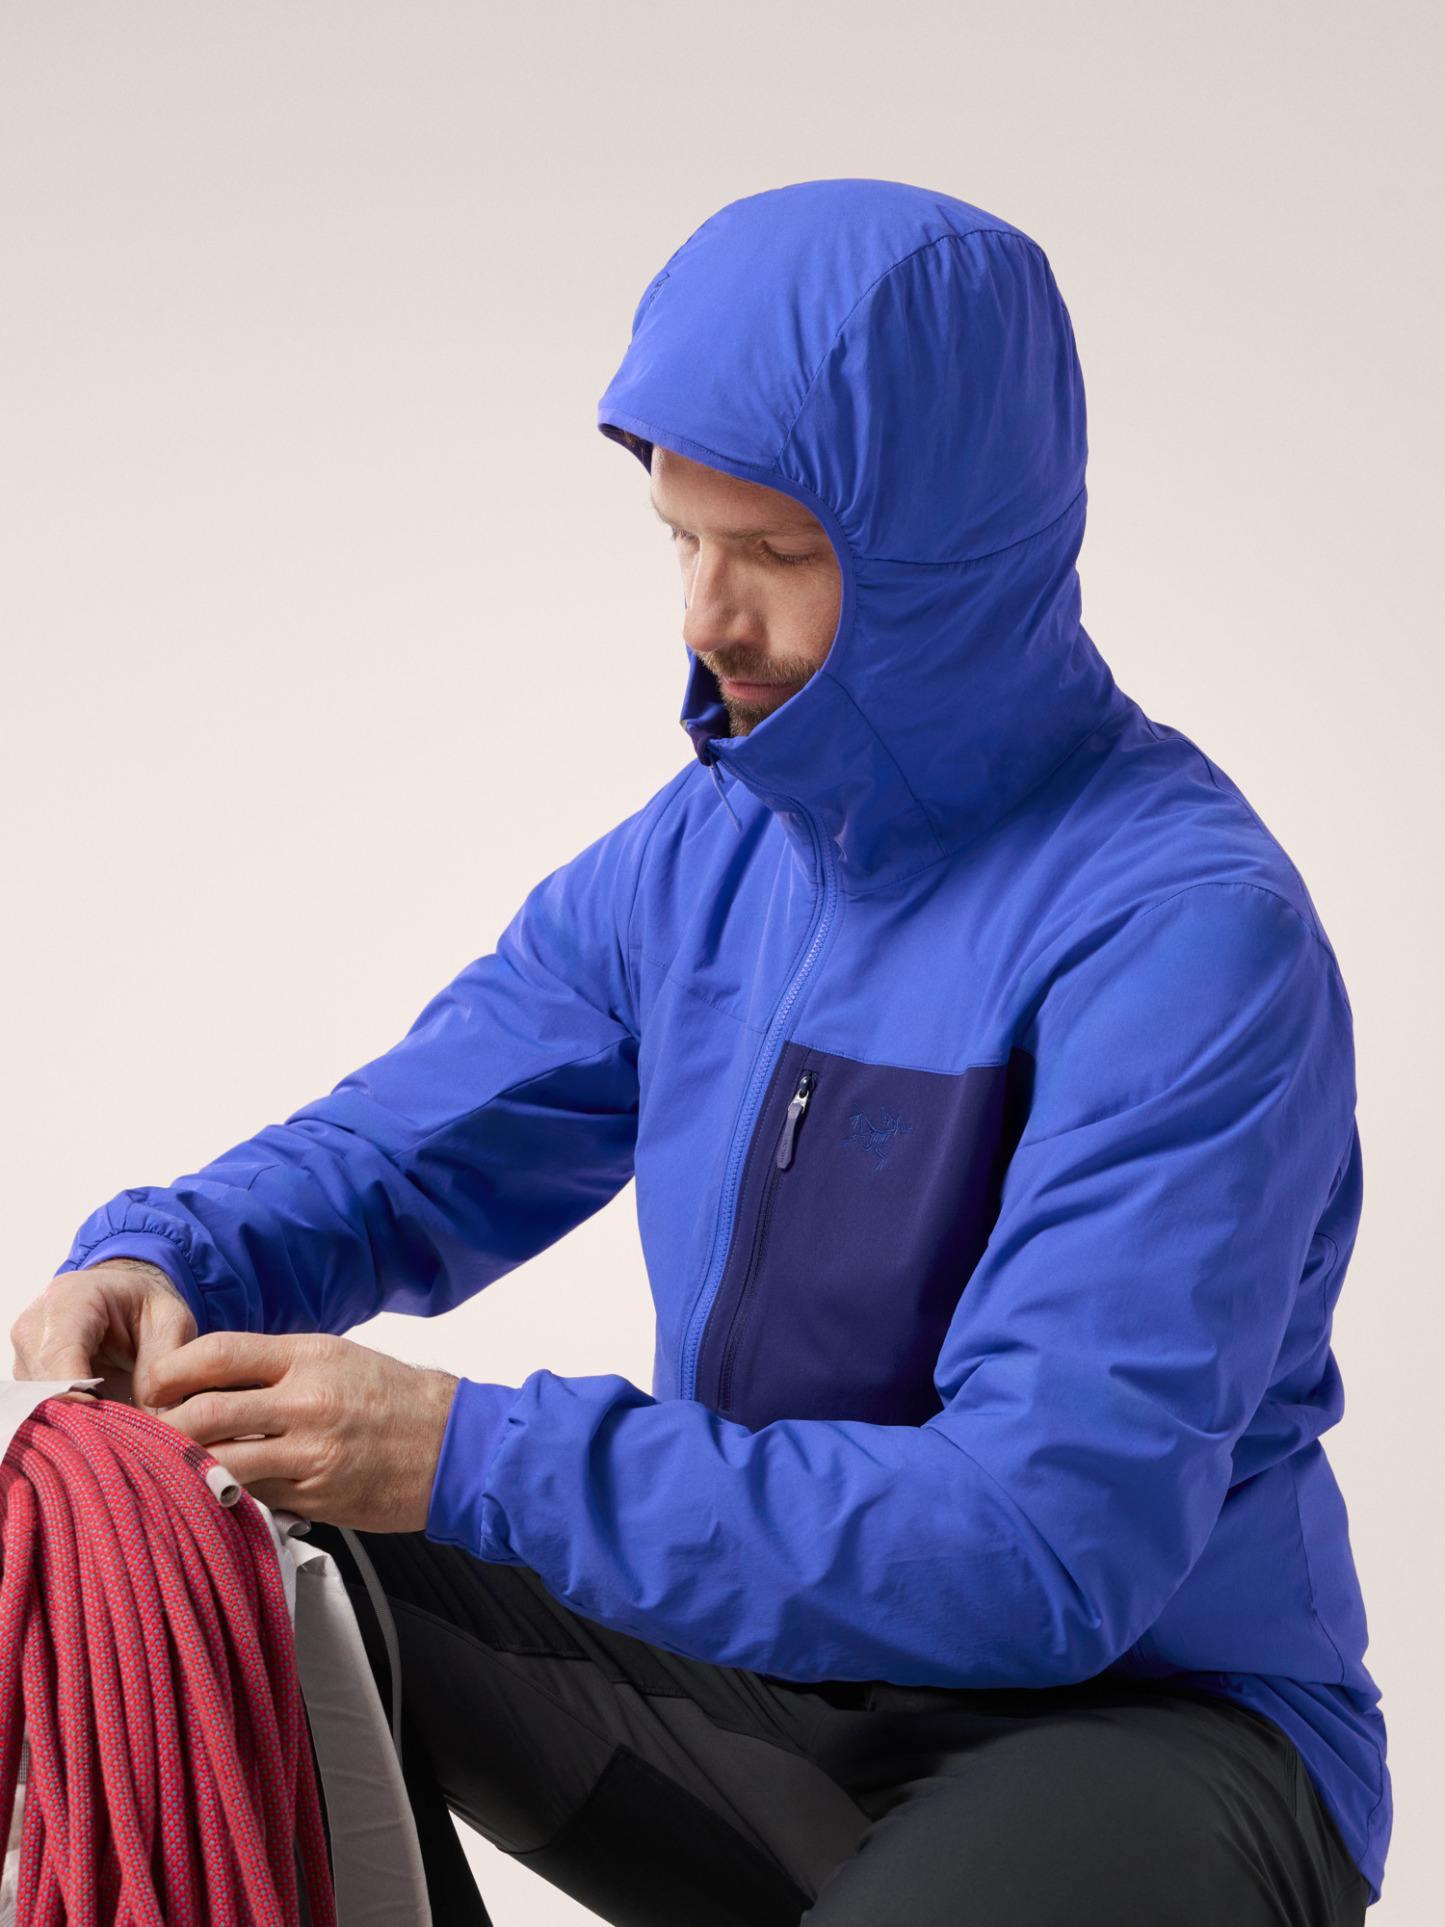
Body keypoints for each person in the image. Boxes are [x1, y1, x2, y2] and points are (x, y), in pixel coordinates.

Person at [13, 180, 1387, 1925]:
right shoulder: (710, 853)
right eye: (681, 539)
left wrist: (470, 1452)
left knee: (398, 1481)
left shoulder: (1184, 936)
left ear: (954, 559)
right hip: (783, 1680)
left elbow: (1045, 1549)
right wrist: (167, 1256)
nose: (705, 618)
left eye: (778, 556)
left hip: (1150, 1734)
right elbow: (415, 1140)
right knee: (231, 1537)